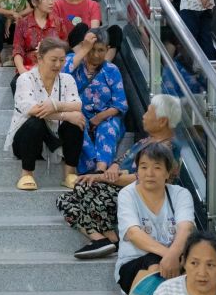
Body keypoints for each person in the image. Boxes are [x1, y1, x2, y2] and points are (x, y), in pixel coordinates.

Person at [56, 94, 183, 260]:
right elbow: (122, 159)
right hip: (117, 186)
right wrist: (114, 167)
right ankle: (102, 239)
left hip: (138, 197)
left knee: (84, 187)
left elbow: (141, 179)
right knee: (64, 200)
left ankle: (110, 237)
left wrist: (103, 178)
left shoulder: (167, 148)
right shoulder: (146, 141)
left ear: (162, 121)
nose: (143, 116)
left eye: (148, 113)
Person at [112, 142, 195, 295]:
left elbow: (186, 229)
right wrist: (170, 255)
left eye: (157, 167)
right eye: (143, 167)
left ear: (168, 172)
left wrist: (172, 256)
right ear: (137, 170)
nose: (149, 173)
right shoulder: (128, 194)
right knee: (154, 261)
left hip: (175, 262)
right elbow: (134, 234)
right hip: (132, 267)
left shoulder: (179, 194)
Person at [6, 38, 85, 191]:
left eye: (62, 60)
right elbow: (34, 109)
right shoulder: (25, 79)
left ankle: (70, 174)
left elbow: (77, 104)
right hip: (26, 139)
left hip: (55, 137)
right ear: (40, 58)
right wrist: (65, 115)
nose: (58, 65)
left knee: (76, 122)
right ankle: (26, 174)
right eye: (53, 60)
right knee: (36, 122)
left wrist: (55, 105)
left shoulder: (67, 79)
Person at [65, 29, 127, 174]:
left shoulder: (112, 70)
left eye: (100, 50)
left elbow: (120, 104)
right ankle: (90, 165)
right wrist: (83, 51)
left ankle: (101, 169)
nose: (95, 54)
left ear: (107, 50)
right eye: (91, 50)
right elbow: (60, 75)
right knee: (78, 126)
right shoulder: (73, 61)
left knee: (108, 128)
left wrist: (99, 118)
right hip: (78, 113)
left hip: (106, 115)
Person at [54, 0, 122, 59]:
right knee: (81, 27)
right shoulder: (57, 4)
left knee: (115, 30)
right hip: (69, 47)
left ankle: (105, 64)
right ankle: (84, 62)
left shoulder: (92, 5)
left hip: (90, 43)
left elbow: (94, 31)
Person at [12, 0, 70, 79]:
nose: (52, 2)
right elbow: (18, 50)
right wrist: (22, 71)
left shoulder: (58, 22)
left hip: (54, 68)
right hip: (29, 68)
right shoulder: (23, 23)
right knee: (16, 83)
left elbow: (64, 48)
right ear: (34, 2)